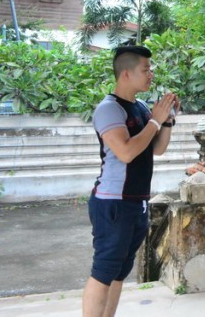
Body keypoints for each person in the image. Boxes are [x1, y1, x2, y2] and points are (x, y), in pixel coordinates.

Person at [81, 43, 179, 317]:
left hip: (137, 202)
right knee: (103, 271)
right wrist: (154, 122)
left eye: (151, 69)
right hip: (113, 203)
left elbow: (156, 148)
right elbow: (125, 152)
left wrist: (166, 120)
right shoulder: (109, 109)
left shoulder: (140, 107)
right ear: (126, 73)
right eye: (145, 70)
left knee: (118, 273)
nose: (151, 75)